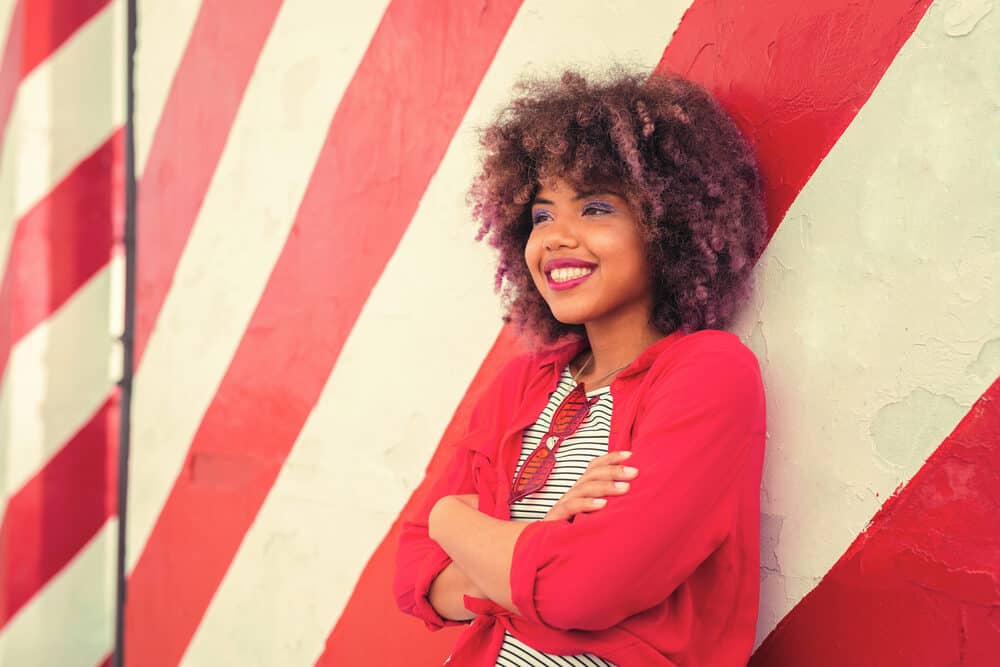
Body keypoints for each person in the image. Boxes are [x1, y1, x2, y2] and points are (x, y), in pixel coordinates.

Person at [393, 65, 768, 666]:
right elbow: (414, 575)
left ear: (665, 225)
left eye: (595, 208)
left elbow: (583, 591)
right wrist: (541, 545)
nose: (556, 238)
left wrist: (452, 522)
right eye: (542, 215)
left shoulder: (710, 372)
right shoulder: (523, 383)